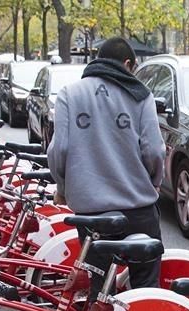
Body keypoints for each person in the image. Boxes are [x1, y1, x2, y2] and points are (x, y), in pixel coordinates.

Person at [47, 36, 165, 295]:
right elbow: (154, 150)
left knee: (100, 289)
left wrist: (63, 188)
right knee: (146, 288)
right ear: (127, 63)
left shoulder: (70, 93)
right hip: (137, 209)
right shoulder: (140, 94)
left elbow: (59, 149)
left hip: (91, 213)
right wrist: (154, 182)